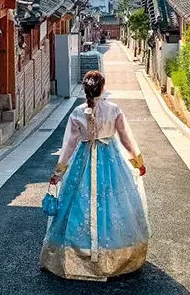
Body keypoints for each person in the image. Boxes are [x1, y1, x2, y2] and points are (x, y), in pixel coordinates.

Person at [40, 71, 149, 282]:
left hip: (83, 161)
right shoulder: (114, 110)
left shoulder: (77, 113)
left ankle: (76, 255)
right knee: (114, 202)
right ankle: (115, 255)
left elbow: (68, 146)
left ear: (85, 89)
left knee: (77, 203)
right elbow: (126, 137)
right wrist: (137, 160)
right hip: (111, 161)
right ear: (103, 88)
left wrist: (59, 172)